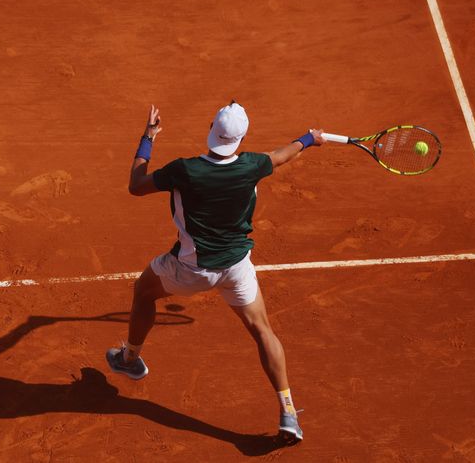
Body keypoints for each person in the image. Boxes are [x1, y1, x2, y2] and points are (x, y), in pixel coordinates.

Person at [105, 101, 325, 442]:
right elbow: (283, 154)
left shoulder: (185, 170)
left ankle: (130, 359)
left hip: (190, 270)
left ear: (211, 129)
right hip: (237, 269)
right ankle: (289, 414)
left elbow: (136, 185)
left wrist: (148, 136)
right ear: (241, 137)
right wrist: (309, 138)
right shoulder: (254, 164)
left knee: (144, 291)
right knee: (263, 330)